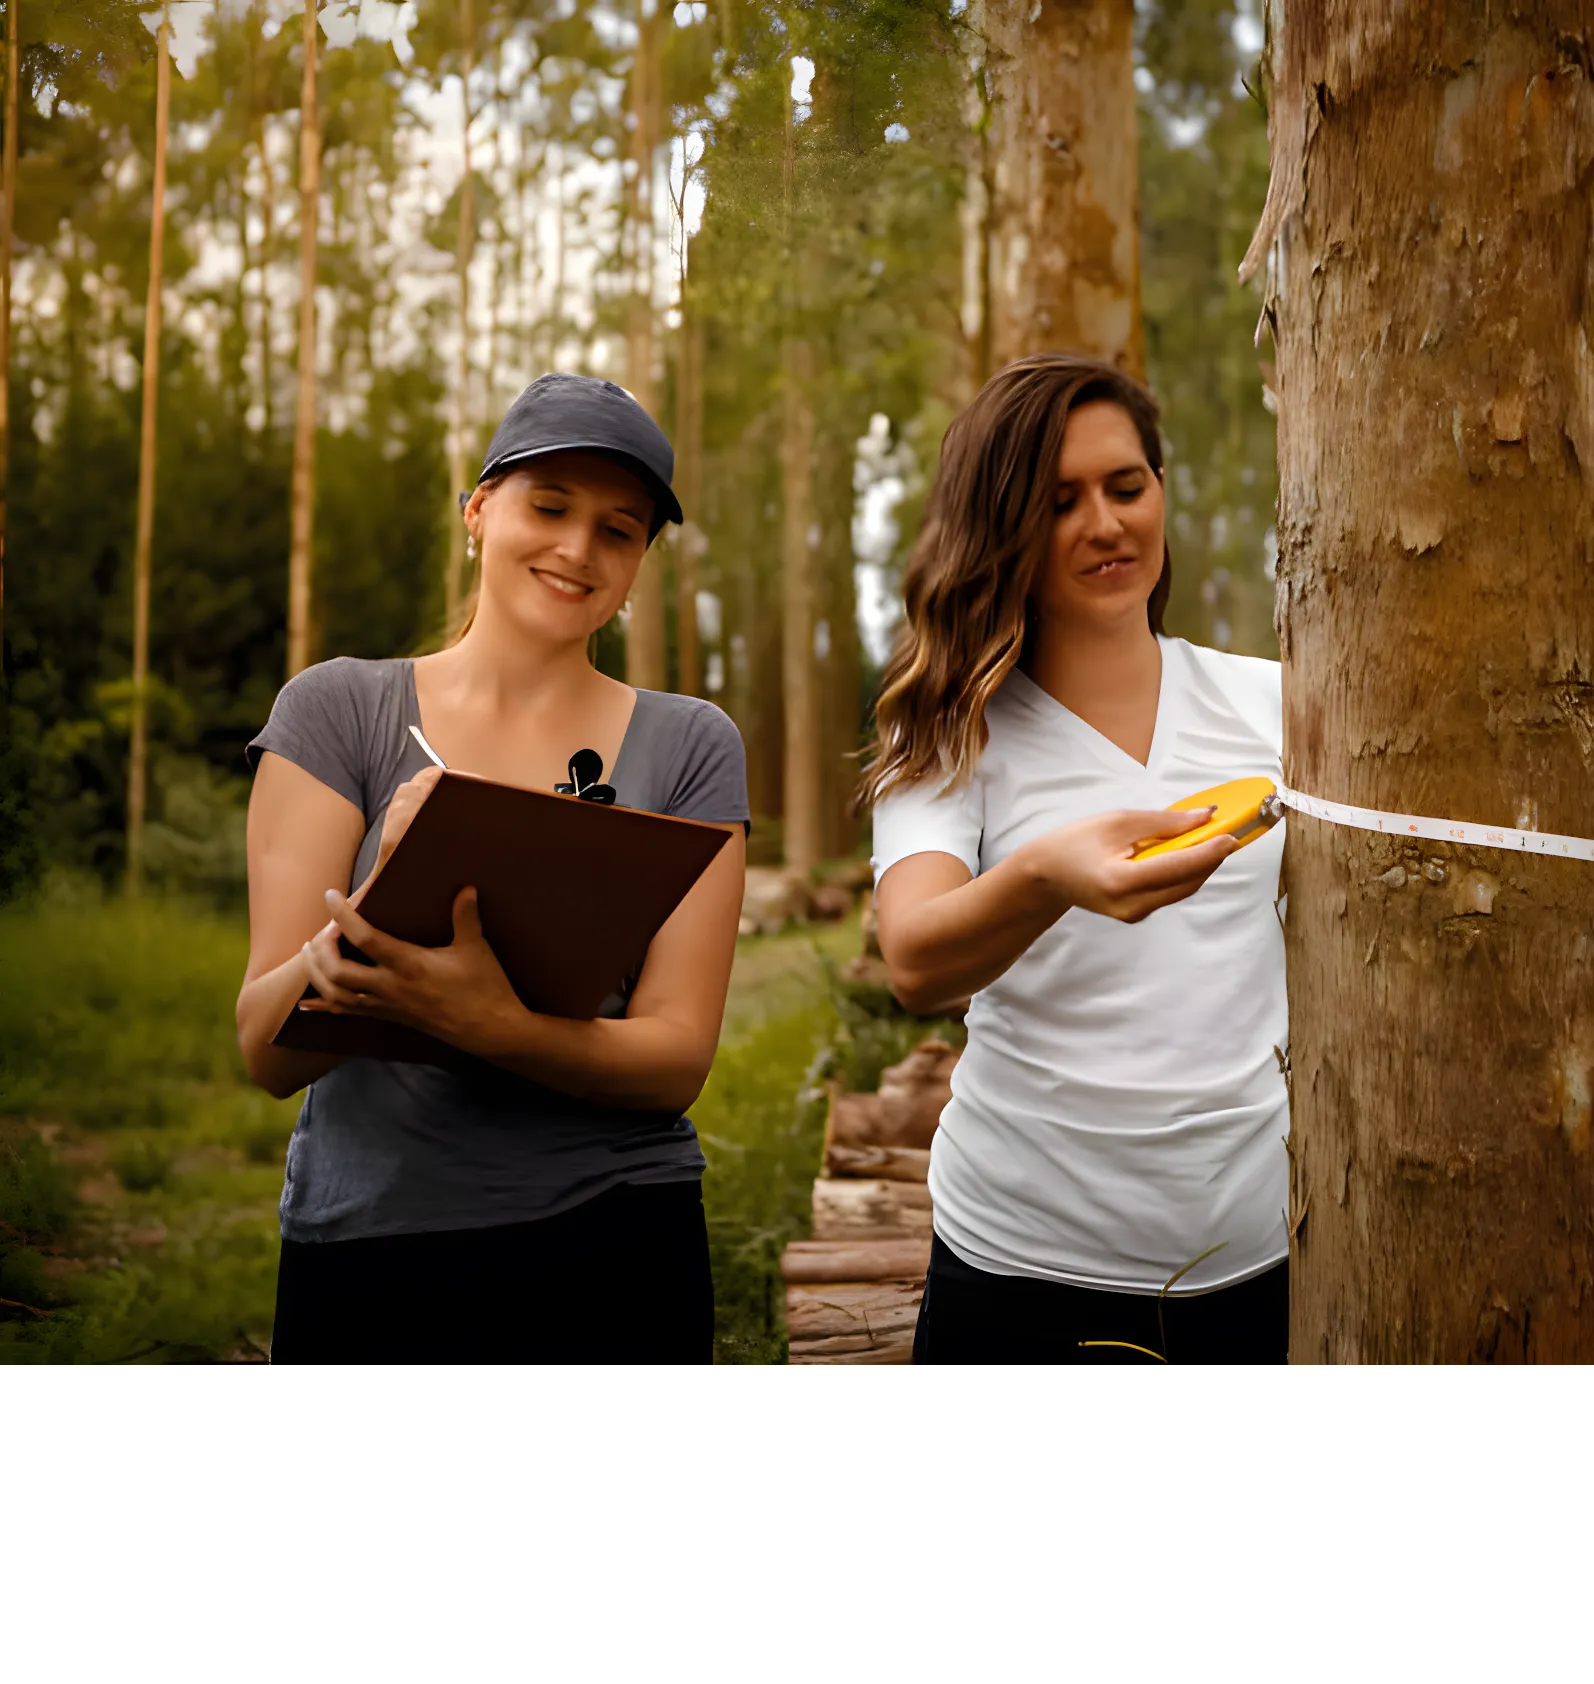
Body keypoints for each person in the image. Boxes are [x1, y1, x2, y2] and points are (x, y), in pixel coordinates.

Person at [237, 373, 748, 1365]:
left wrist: (495, 1026)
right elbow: (265, 1048)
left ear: (641, 558)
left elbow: (676, 1059)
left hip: (617, 1234)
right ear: (477, 510)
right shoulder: (338, 711)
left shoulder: (691, 745)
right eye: (547, 506)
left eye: (619, 529)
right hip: (376, 1246)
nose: (576, 549)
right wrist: (394, 875)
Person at [864, 353, 1287, 1368]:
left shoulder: (1273, 702)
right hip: (1022, 1269)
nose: (1103, 523)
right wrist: (1046, 876)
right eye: (1059, 501)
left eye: (1124, 486)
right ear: (1002, 526)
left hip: (1257, 1259)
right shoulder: (949, 732)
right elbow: (915, 959)